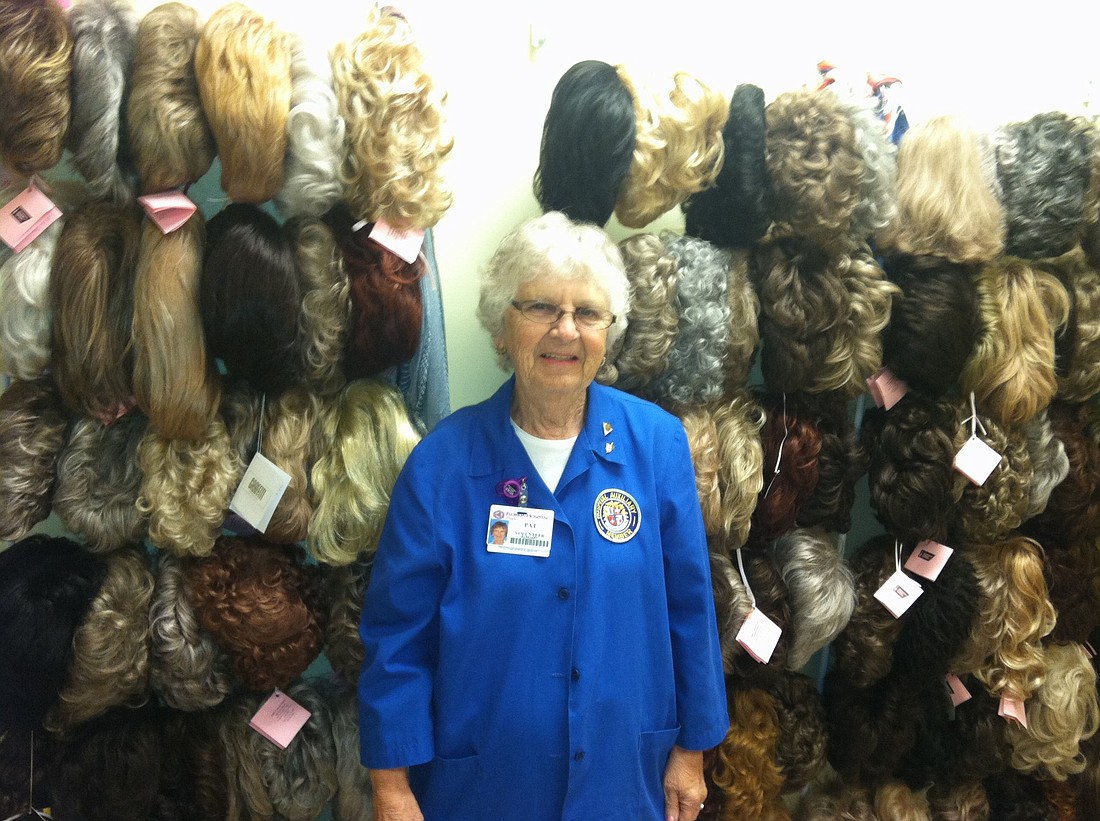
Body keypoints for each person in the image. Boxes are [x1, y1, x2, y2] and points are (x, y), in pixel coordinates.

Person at [358, 211, 729, 821]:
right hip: (481, 788)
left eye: (588, 312)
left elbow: (690, 607)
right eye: (539, 309)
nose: (565, 331)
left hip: (622, 779)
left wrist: (693, 749)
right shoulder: (441, 464)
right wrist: (391, 786)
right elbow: (398, 637)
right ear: (502, 328)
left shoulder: (658, 445)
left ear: (610, 332)